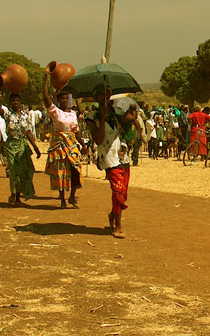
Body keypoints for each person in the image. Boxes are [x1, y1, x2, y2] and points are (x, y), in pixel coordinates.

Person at [87, 89, 141, 238]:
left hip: (123, 156)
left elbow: (137, 131)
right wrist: (103, 118)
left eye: (107, 94)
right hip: (108, 157)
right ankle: (118, 225)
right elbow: (97, 139)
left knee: (123, 192)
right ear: (96, 98)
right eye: (101, 95)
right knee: (118, 191)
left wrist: (133, 119)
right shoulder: (93, 117)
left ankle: (113, 214)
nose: (105, 97)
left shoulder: (119, 112)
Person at [43, 71, 87, 209]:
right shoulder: (55, 112)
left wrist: (83, 144)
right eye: (62, 98)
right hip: (59, 145)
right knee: (61, 172)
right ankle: (62, 198)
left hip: (72, 144)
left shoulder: (72, 114)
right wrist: (46, 79)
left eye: (66, 98)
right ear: (58, 100)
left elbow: (76, 131)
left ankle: (72, 196)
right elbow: (45, 97)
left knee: (75, 169)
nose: (64, 100)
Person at [0, 91, 41, 206]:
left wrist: (35, 147)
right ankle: (14, 194)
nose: (15, 103)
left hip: (22, 146)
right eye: (13, 101)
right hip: (11, 146)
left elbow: (28, 132)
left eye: (17, 100)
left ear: (20, 102)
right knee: (14, 171)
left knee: (26, 170)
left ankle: (19, 195)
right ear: (10, 103)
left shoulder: (25, 115)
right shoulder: (8, 114)